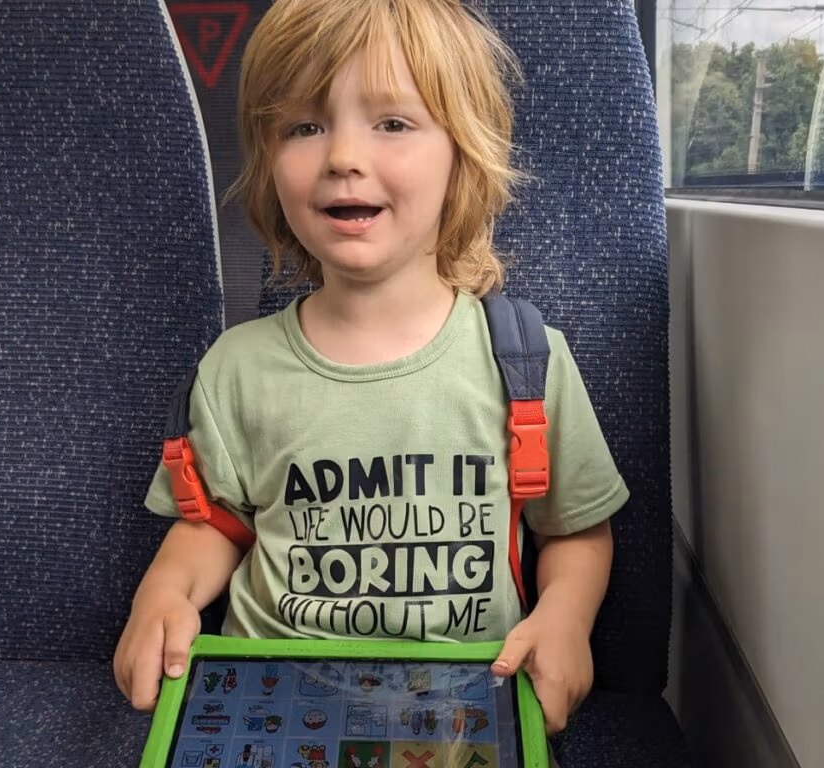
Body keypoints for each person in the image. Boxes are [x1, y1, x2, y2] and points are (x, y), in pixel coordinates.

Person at [113, 0, 629, 737]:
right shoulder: (236, 369)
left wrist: (565, 621)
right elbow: (215, 526)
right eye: (304, 126)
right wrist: (162, 595)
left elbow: (576, 529)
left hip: (462, 705)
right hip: (277, 706)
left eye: (392, 123)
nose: (342, 157)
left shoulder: (526, 360)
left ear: (463, 156)